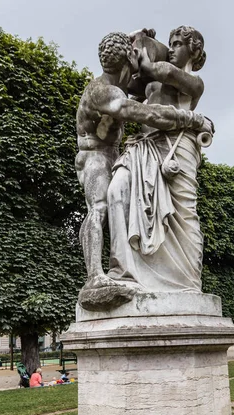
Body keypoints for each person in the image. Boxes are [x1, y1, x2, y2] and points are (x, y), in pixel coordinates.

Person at [75, 31, 212, 310]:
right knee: (105, 201)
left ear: (195, 52)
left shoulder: (192, 82)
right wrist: (194, 119)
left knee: (176, 213)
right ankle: (106, 274)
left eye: (177, 45)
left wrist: (136, 42)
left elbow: (152, 70)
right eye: (170, 44)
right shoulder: (106, 92)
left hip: (164, 148)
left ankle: (171, 275)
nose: (171, 49)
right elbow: (148, 111)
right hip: (116, 151)